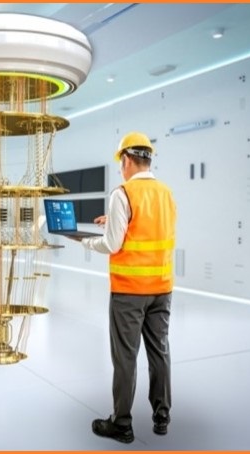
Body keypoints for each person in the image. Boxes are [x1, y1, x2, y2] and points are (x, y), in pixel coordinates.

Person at [68, 132, 176, 444]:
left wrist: (86, 240)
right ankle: (162, 417)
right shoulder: (167, 193)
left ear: (127, 160)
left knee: (126, 357)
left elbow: (112, 244)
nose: (121, 170)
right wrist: (114, 220)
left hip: (130, 291)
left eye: (121, 164)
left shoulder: (122, 193)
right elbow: (147, 229)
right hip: (162, 288)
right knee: (160, 352)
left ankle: (122, 423)